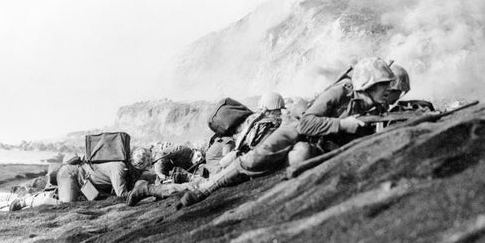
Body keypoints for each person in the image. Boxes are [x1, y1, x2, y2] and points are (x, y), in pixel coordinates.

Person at [127, 57, 394, 210]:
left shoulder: (367, 103)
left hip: (265, 153)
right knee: (219, 177)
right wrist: (343, 126)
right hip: (241, 161)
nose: (387, 92)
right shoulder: (339, 93)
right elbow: (303, 127)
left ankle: (155, 189)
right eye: (383, 86)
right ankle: (158, 190)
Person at [126, 91, 287, 206]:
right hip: (233, 167)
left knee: (197, 185)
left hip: (232, 165)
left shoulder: (255, 122)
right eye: (279, 111)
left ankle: (149, 188)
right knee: (197, 187)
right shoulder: (265, 125)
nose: (280, 114)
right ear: (273, 109)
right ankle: (147, 190)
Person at [57, 146, 152, 202]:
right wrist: (148, 192)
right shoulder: (120, 167)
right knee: (67, 204)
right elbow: (122, 195)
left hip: (85, 182)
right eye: (141, 170)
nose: (141, 172)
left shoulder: (128, 167)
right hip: (71, 174)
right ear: (136, 164)